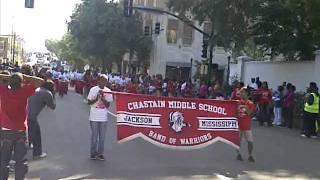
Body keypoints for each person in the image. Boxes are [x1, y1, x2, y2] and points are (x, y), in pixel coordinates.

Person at [0, 73, 44, 180]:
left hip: (5, 130)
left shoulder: (3, 91)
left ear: (9, 82)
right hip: (20, 131)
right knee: (20, 161)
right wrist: (24, 77)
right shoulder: (24, 92)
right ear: (21, 83)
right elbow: (40, 81)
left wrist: (7, 77)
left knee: (4, 160)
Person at [27, 80, 56, 160]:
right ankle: (37, 154)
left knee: (27, 132)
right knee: (36, 135)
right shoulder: (47, 93)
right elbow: (53, 106)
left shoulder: (37, 89)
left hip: (24, 114)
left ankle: (29, 144)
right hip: (31, 116)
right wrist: (53, 95)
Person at [87, 75, 113, 161]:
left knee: (102, 138)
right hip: (94, 117)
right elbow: (89, 102)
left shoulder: (108, 91)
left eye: (105, 81)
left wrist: (103, 98)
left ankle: (100, 153)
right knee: (94, 137)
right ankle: (93, 153)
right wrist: (97, 98)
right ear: (98, 81)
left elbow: (108, 105)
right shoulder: (93, 89)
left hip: (103, 118)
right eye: (102, 80)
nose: (103, 82)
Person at [237, 87, 256, 162]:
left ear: (247, 93)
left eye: (242, 92)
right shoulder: (237, 102)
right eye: (240, 92)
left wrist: (245, 106)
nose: (240, 93)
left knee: (250, 141)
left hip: (246, 126)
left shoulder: (250, 103)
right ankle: (238, 154)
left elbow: (249, 113)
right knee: (237, 141)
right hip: (238, 125)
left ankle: (250, 155)